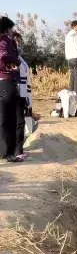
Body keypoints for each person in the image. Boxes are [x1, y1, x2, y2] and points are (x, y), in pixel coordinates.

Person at [12, 32, 38, 159]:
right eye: (15, 41)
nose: (18, 43)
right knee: (16, 123)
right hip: (15, 93)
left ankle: (18, 149)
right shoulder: (10, 57)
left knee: (20, 123)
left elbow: (25, 79)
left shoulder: (19, 57)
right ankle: (15, 151)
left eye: (19, 41)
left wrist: (29, 101)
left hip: (23, 93)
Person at [0, 17, 21, 162]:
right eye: (11, 28)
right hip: (6, 81)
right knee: (9, 118)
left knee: (2, 118)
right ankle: (8, 153)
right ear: (7, 29)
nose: (13, 31)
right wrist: (16, 59)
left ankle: (4, 152)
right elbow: (5, 58)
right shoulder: (5, 41)